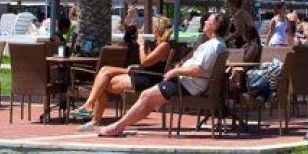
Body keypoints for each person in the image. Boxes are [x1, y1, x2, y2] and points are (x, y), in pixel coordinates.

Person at [97, 12, 228, 137]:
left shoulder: (212, 46)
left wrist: (175, 71)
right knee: (148, 99)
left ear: (215, 26)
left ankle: (118, 127)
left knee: (146, 96)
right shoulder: (218, 44)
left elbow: (199, 69)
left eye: (209, 20)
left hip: (186, 85)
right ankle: (119, 126)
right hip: (188, 83)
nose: (205, 21)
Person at [74, 16, 174, 127]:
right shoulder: (158, 44)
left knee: (102, 83)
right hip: (141, 73)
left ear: (158, 29)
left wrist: (140, 45)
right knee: (104, 71)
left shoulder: (164, 46)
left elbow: (145, 62)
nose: (152, 30)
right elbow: (149, 64)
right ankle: (90, 109)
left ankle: (92, 115)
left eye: (154, 27)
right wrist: (136, 65)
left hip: (147, 79)